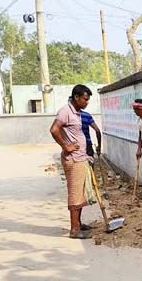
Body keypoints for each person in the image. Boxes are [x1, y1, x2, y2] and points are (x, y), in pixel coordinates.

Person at [49, 84, 94, 239]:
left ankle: (79, 224)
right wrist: (65, 146)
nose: (87, 102)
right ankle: (74, 230)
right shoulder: (65, 111)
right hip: (73, 160)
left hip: (80, 158)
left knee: (80, 194)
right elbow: (54, 129)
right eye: (85, 99)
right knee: (75, 194)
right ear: (76, 97)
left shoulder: (77, 112)